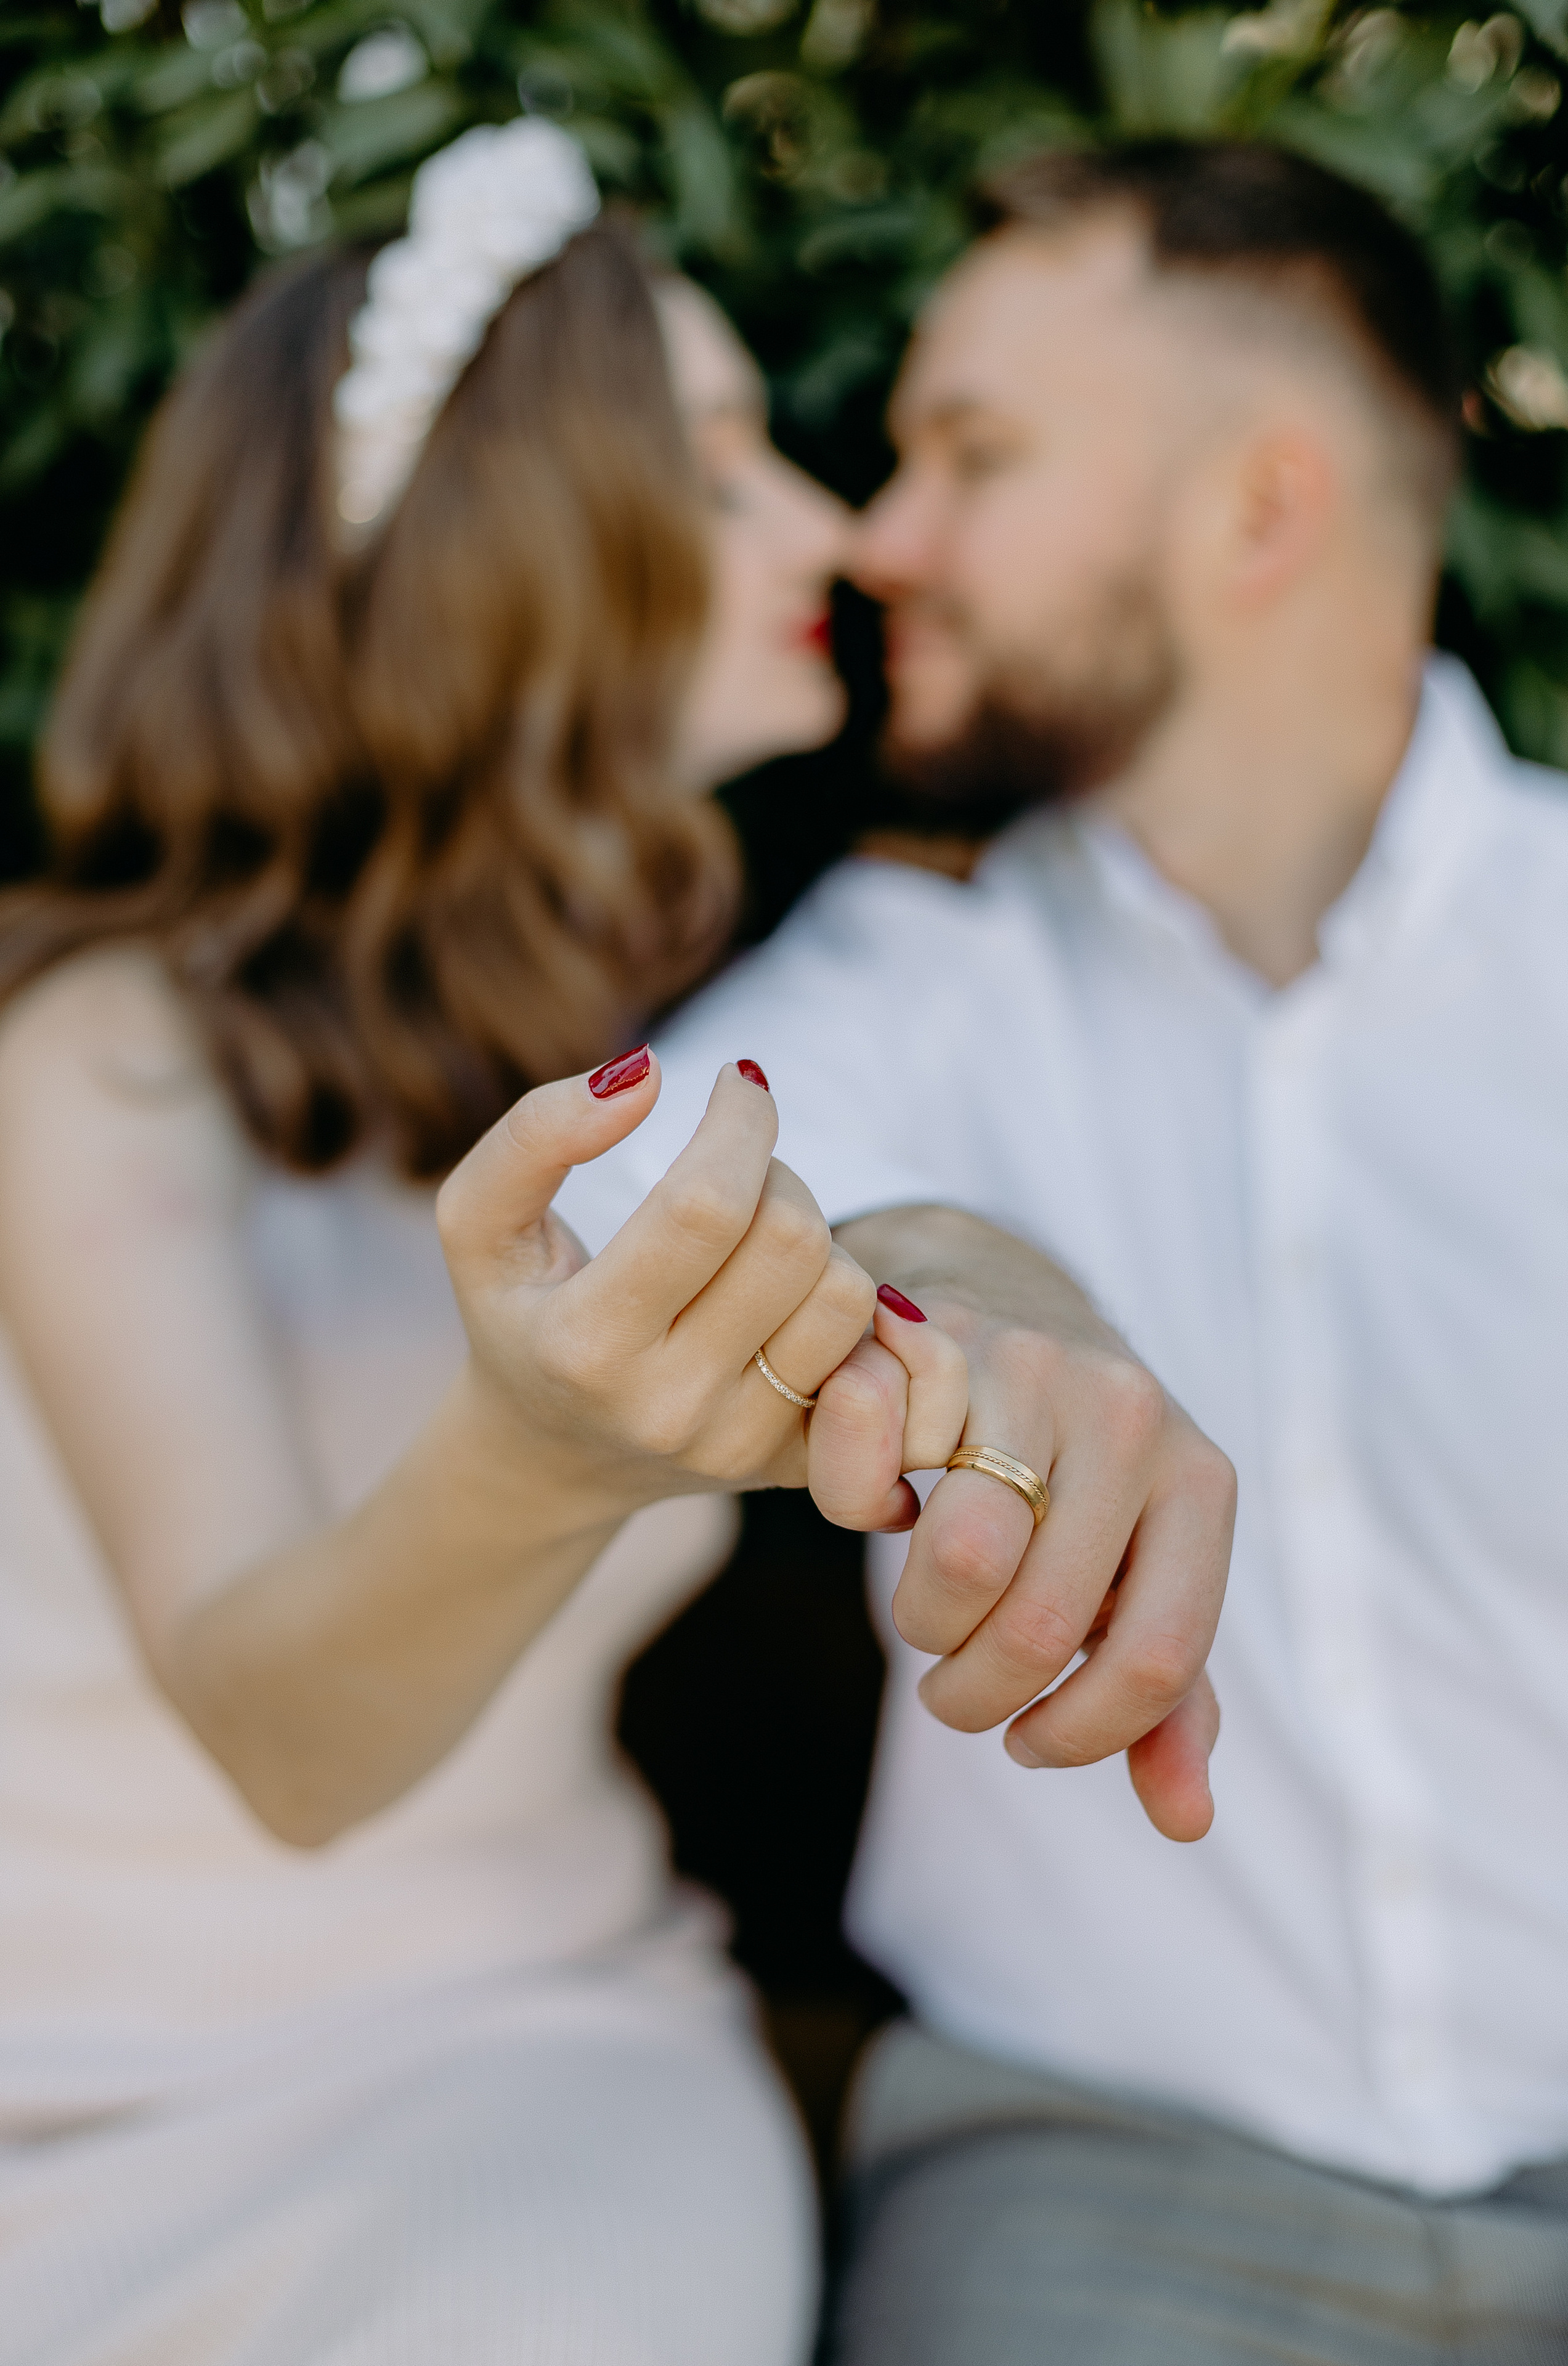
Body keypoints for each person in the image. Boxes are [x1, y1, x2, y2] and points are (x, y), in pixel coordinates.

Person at [553, 141, 1568, 2363]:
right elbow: (612, 1237)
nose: (882, 536)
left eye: (971, 454)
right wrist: (972, 1295)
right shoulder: (914, 977)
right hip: (1093, 2185)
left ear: (1258, 509)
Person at [0, 117, 960, 2366]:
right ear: (512, 548)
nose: (823, 529)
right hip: (61, 2104)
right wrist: (542, 1458)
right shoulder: (99, 1054)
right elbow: (283, 1736)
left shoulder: (695, 1050)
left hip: (517, 2057)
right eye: (724, 465)